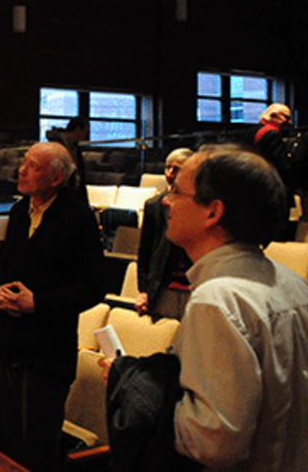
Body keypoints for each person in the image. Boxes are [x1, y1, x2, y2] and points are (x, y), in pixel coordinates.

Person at [160, 146, 308, 470]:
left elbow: (214, 443)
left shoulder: (216, 300)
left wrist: (140, 393)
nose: (166, 201)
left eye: (176, 192)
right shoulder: (295, 283)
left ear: (212, 212)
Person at [0, 142, 106, 471]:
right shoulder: (18, 211)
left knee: (37, 450)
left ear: (56, 178)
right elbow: (3, 270)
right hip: (6, 344)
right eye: (23, 162)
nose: (22, 170)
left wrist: (37, 303)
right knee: (2, 443)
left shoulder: (78, 218)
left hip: (46, 354)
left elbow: (94, 288)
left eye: (33, 166)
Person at [134, 148, 194, 319]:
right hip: (163, 288)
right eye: (168, 167)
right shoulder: (154, 205)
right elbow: (145, 253)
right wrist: (144, 290)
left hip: (193, 287)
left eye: (177, 168)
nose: (170, 173)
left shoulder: (201, 205)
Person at [250, 103, 296, 239]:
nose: (289, 122)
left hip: (253, 185)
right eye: (287, 117)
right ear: (274, 116)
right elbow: (281, 166)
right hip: (272, 187)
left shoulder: (251, 131)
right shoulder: (272, 134)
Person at [46, 117, 90, 206]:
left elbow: (80, 175)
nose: (85, 136)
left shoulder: (76, 148)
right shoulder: (56, 147)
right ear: (78, 129)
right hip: (59, 194)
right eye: (85, 132)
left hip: (74, 193)